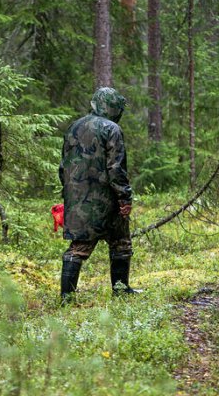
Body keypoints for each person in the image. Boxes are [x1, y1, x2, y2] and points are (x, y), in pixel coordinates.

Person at [58, 87, 142, 303]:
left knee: (78, 247)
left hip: (77, 199)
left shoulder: (73, 127)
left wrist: (69, 194)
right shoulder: (111, 129)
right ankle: (121, 291)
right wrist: (124, 197)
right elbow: (116, 168)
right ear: (112, 107)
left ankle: (66, 298)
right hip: (107, 200)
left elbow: (63, 167)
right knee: (121, 242)